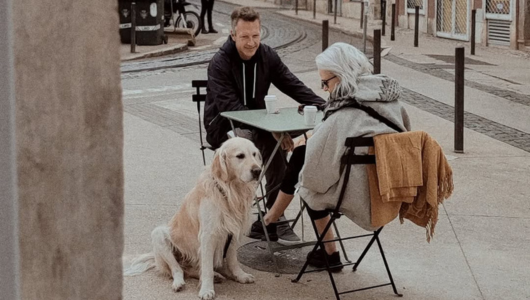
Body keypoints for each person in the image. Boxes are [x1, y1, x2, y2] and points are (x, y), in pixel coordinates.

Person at [262, 42, 411, 269]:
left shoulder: (344, 114)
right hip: (390, 188)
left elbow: (316, 173)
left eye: (325, 82)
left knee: (307, 179)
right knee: (305, 156)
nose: (324, 89)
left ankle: (277, 221)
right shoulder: (392, 103)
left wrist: (306, 150)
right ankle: (284, 223)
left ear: (341, 76)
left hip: (359, 194)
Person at [203, 6, 325, 245]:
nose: (251, 42)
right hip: (224, 127)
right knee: (273, 142)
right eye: (245, 37)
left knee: (282, 139)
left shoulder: (267, 56)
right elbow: (232, 109)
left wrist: (327, 106)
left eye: (256, 36)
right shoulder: (219, 62)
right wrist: (274, 130)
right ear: (233, 35)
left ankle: (270, 217)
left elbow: (292, 84)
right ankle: (274, 219)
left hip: (259, 127)